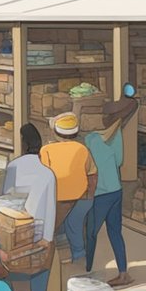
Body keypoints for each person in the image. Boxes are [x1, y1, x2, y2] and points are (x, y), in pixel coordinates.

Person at [1, 124, 58, 291]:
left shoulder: (12, 167)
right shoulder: (47, 175)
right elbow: (50, 213)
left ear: (23, 144)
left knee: (5, 283)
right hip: (38, 244)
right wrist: (47, 243)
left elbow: (4, 201)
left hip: (13, 241)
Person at [84, 96, 139, 286]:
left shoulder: (90, 139)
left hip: (100, 193)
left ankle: (86, 271)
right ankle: (123, 272)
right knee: (115, 232)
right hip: (116, 190)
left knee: (90, 233)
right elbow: (119, 161)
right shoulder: (117, 136)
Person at [40, 113, 97, 266]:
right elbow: (92, 174)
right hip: (82, 197)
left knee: (51, 228)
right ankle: (78, 255)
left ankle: (55, 259)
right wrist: (90, 195)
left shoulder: (46, 150)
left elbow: (43, 176)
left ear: (55, 131)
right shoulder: (82, 149)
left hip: (57, 198)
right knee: (75, 224)